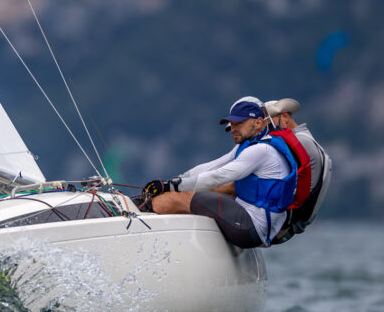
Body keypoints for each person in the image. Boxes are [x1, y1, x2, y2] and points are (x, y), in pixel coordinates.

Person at [139, 99, 298, 248]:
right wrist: (176, 180)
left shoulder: (261, 150)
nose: (233, 128)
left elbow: (218, 176)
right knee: (187, 193)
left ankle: (138, 218)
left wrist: (171, 187)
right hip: (257, 225)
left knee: (181, 197)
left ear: (258, 123)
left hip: (252, 228)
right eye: (232, 124)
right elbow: (211, 166)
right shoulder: (253, 143)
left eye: (240, 123)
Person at [264, 98, 332, 243]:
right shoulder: (306, 138)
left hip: (286, 222)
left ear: (285, 116)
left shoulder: (298, 141)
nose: (267, 129)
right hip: (294, 222)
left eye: (269, 122)